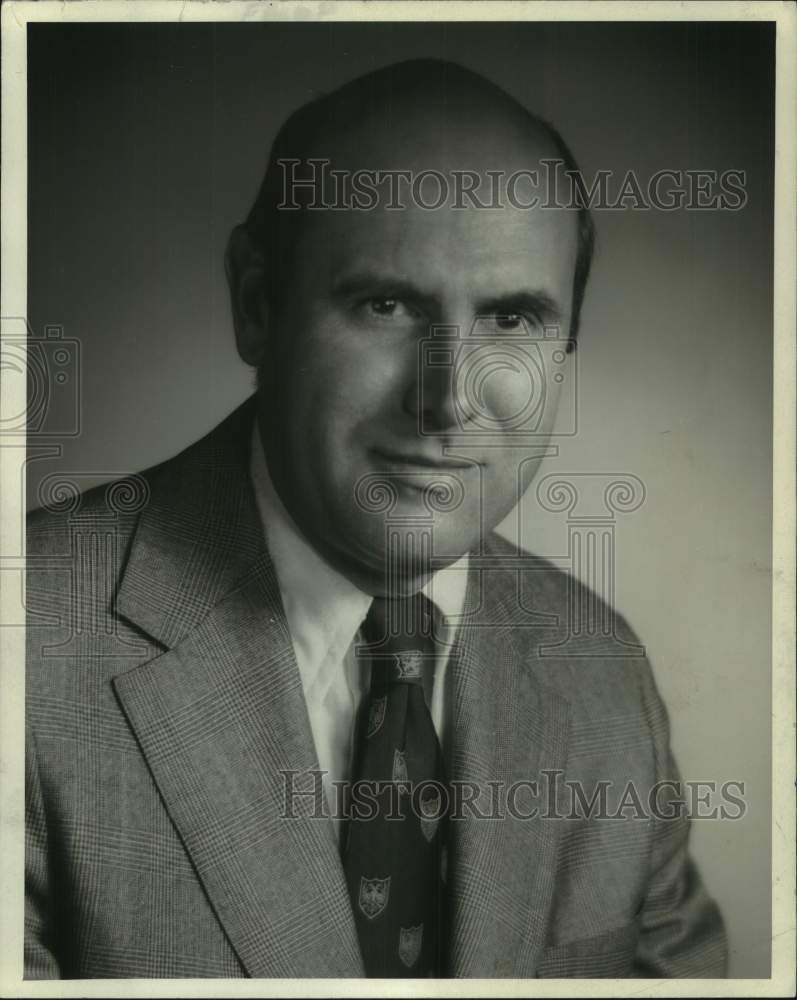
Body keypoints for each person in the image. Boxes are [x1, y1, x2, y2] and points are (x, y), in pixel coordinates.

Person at [25, 58, 726, 979]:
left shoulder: (603, 679)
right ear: (256, 305)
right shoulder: (27, 648)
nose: (447, 399)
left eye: (512, 320)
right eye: (384, 304)